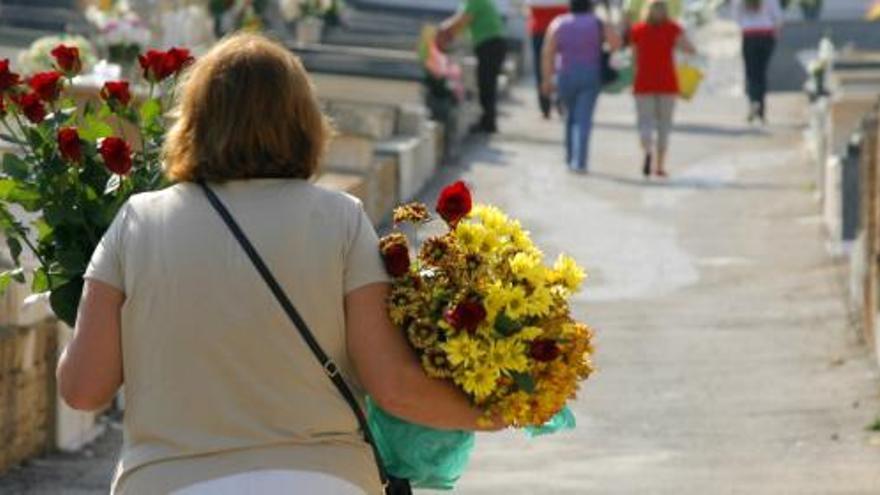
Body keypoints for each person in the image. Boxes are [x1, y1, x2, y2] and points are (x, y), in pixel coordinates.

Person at [56, 33, 498, 495]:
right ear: (303, 121)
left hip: (171, 480)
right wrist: (504, 410)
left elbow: (84, 388)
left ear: (195, 120)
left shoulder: (138, 222)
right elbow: (392, 386)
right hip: (321, 479)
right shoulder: (340, 219)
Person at [541, 0, 621, 173]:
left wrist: (547, 80)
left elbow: (548, 52)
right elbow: (615, 43)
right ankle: (580, 162)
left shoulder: (559, 23)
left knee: (570, 117)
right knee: (584, 118)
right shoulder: (597, 22)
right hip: (590, 74)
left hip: (566, 74)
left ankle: (570, 158)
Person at [630, 0, 695, 178]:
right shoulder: (673, 28)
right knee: (664, 126)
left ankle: (647, 150)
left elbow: (634, 60)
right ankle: (659, 166)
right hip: (667, 83)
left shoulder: (638, 30)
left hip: (643, 83)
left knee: (645, 123)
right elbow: (690, 49)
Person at [440, 0, 507, 134]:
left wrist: (441, 30)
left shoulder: (474, 2)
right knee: (486, 83)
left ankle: (488, 123)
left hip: (490, 45)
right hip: (491, 45)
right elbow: (461, 25)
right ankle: (488, 121)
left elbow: (460, 21)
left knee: (486, 84)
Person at [733, 0, 783, 123]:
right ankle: (761, 109)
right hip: (766, 34)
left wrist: (746, 23)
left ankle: (753, 102)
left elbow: (736, 17)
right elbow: (778, 17)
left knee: (751, 72)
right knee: (761, 72)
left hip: (749, 35)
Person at [526, 0, 569, 119]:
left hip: (545, 28)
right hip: (553, 28)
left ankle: (548, 105)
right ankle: (557, 102)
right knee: (560, 65)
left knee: (543, 67)